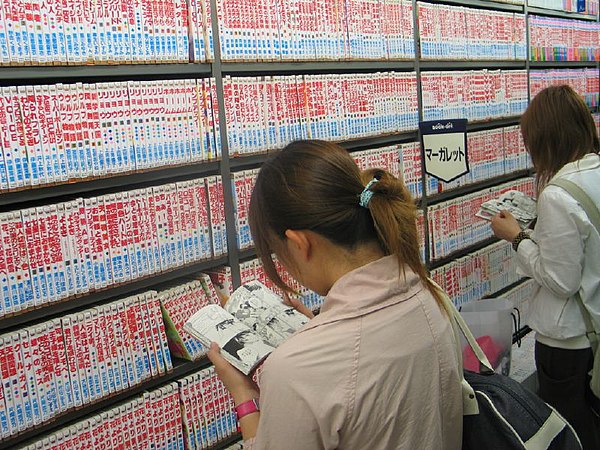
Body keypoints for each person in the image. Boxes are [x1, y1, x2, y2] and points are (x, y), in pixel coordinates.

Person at [208, 140, 463, 449]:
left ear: (300, 244)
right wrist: (319, 327)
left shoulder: (296, 369)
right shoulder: (430, 296)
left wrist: (245, 397)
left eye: (277, 253)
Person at [491, 85, 600, 449]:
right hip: (594, 325)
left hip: (567, 338)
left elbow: (560, 280)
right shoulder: (594, 170)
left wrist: (517, 237)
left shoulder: (558, 194)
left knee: (570, 428)